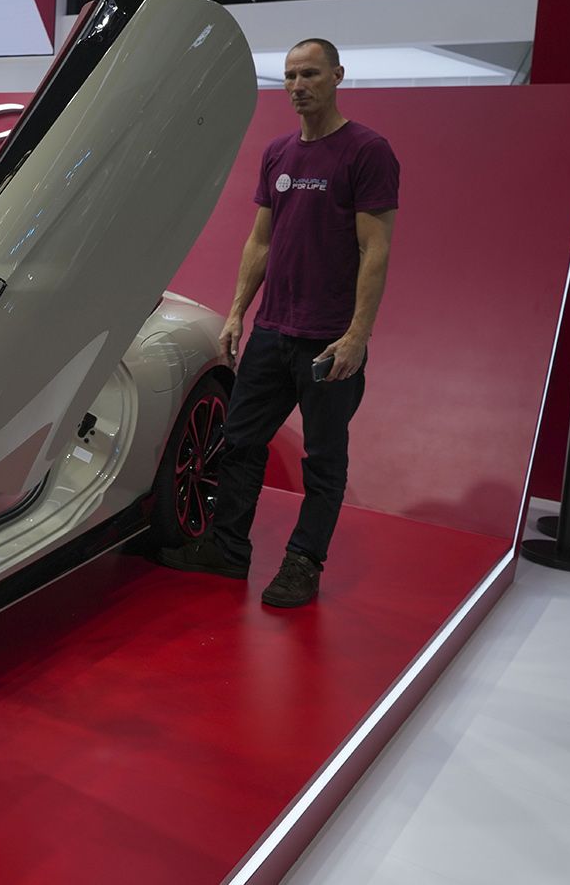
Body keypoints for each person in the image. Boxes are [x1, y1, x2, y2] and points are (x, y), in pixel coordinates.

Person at [155, 38, 399, 609]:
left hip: (328, 339)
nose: (298, 85)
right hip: (272, 332)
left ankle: (303, 562)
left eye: (310, 73)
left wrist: (358, 336)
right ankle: (228, 549)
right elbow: (261, 240)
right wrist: (239, 311)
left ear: (338, 75)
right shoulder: (279, 153)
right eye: (290, 76)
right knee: (238, 442)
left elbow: (376, 250)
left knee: (323, 458)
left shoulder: (368, 151)